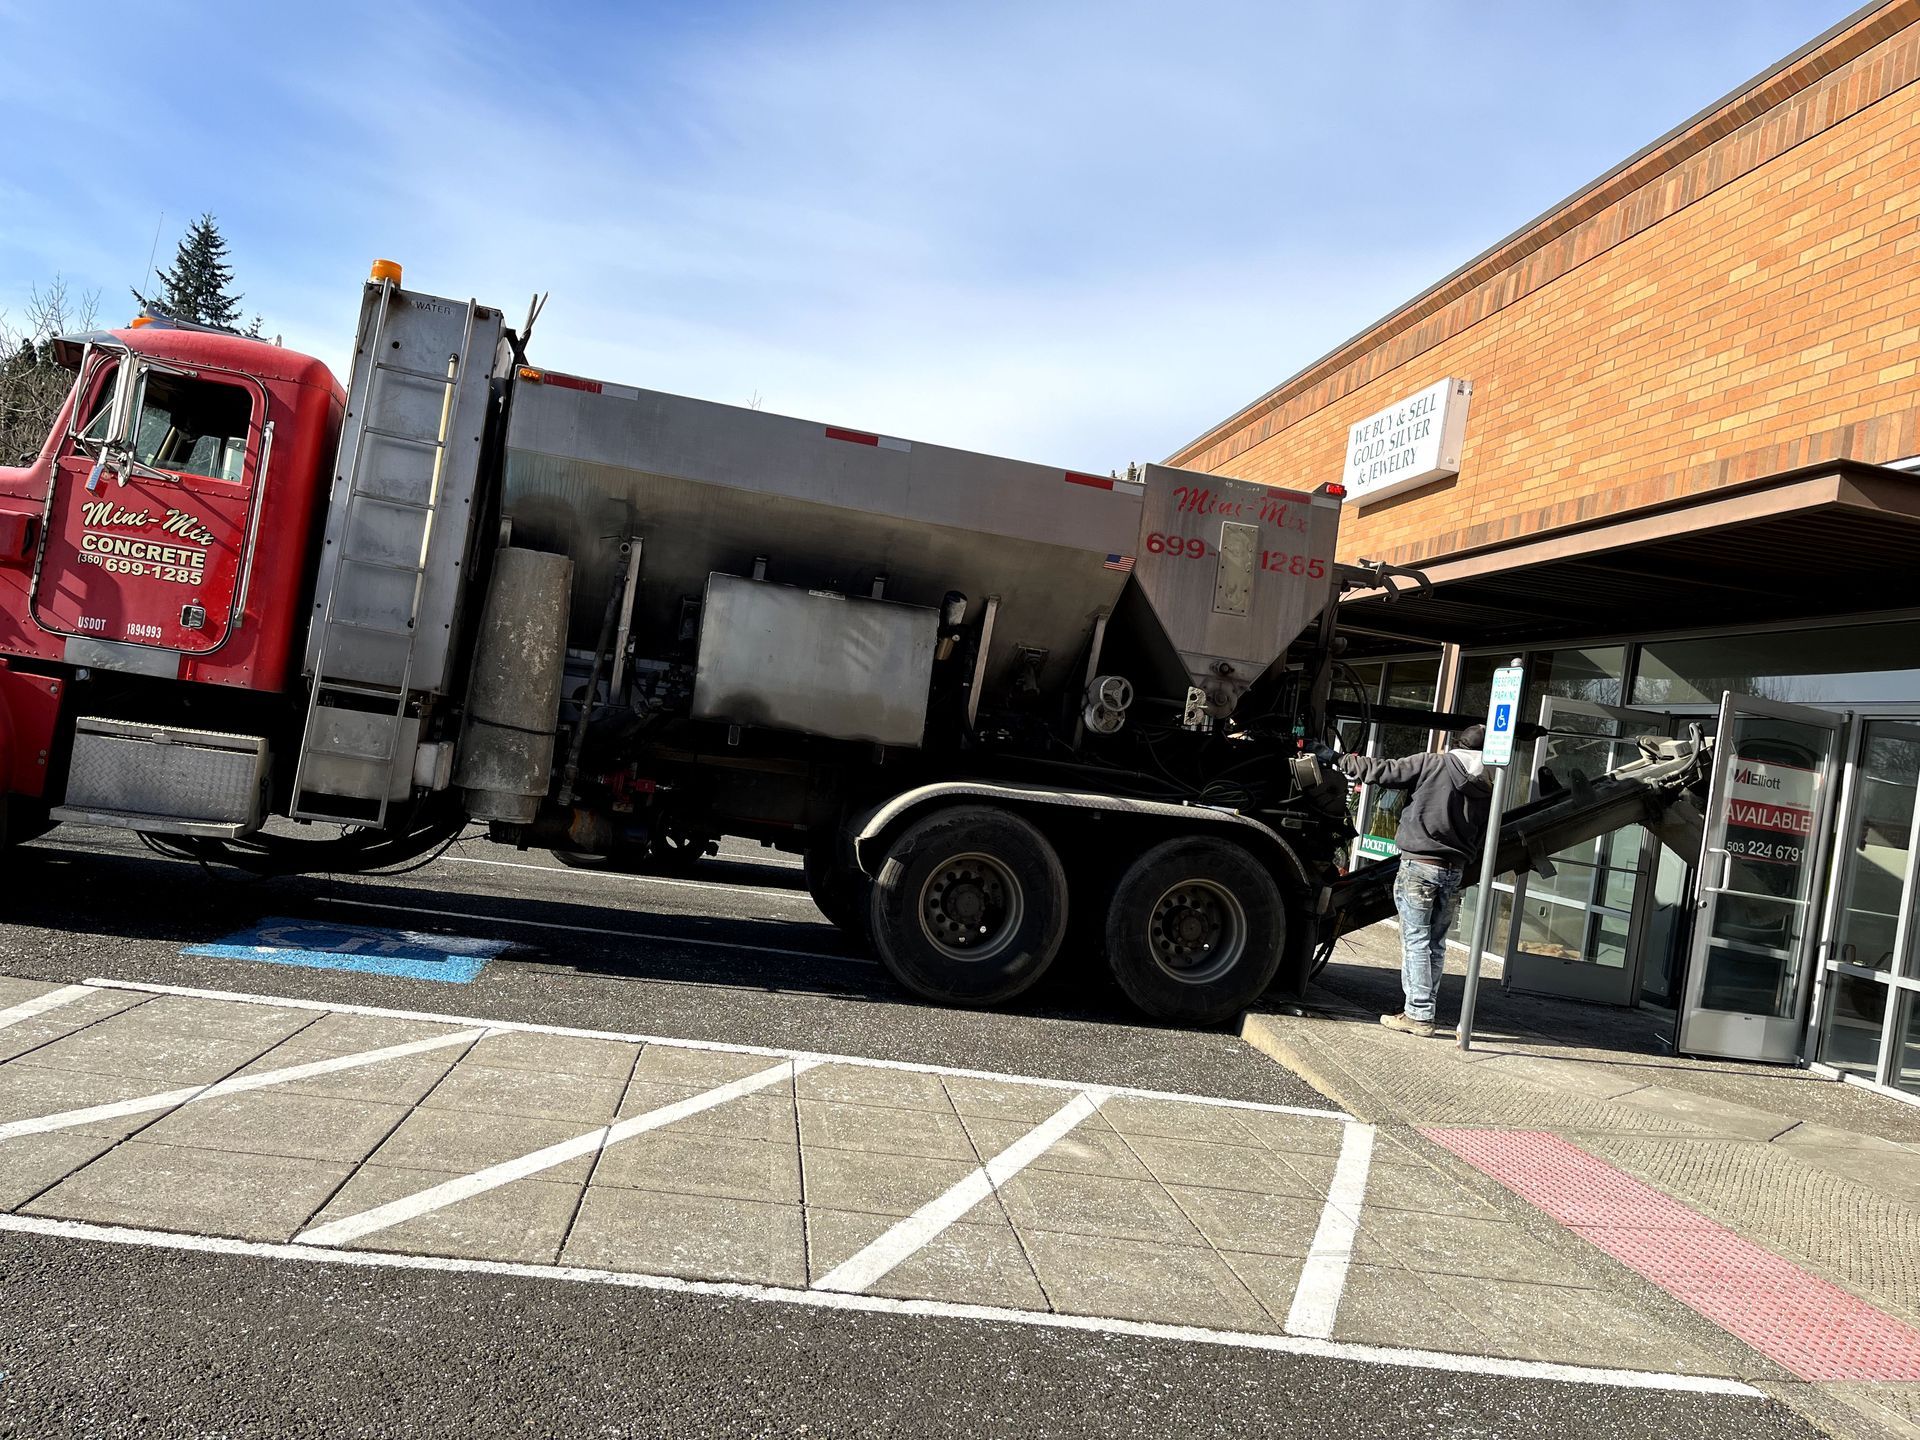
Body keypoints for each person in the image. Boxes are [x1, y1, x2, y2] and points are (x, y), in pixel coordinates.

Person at [1321, 725, 1492, 1037]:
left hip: (1419, 866)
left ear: (1456, 744)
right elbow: (1483, 833)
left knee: (1416, 940)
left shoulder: (1433, 763)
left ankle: (1419, 1015)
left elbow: (1382, 772)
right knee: (1436, 943)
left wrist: (1335, 757)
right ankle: (1425, 1007)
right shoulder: (1488, 784)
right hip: (1454, 870)